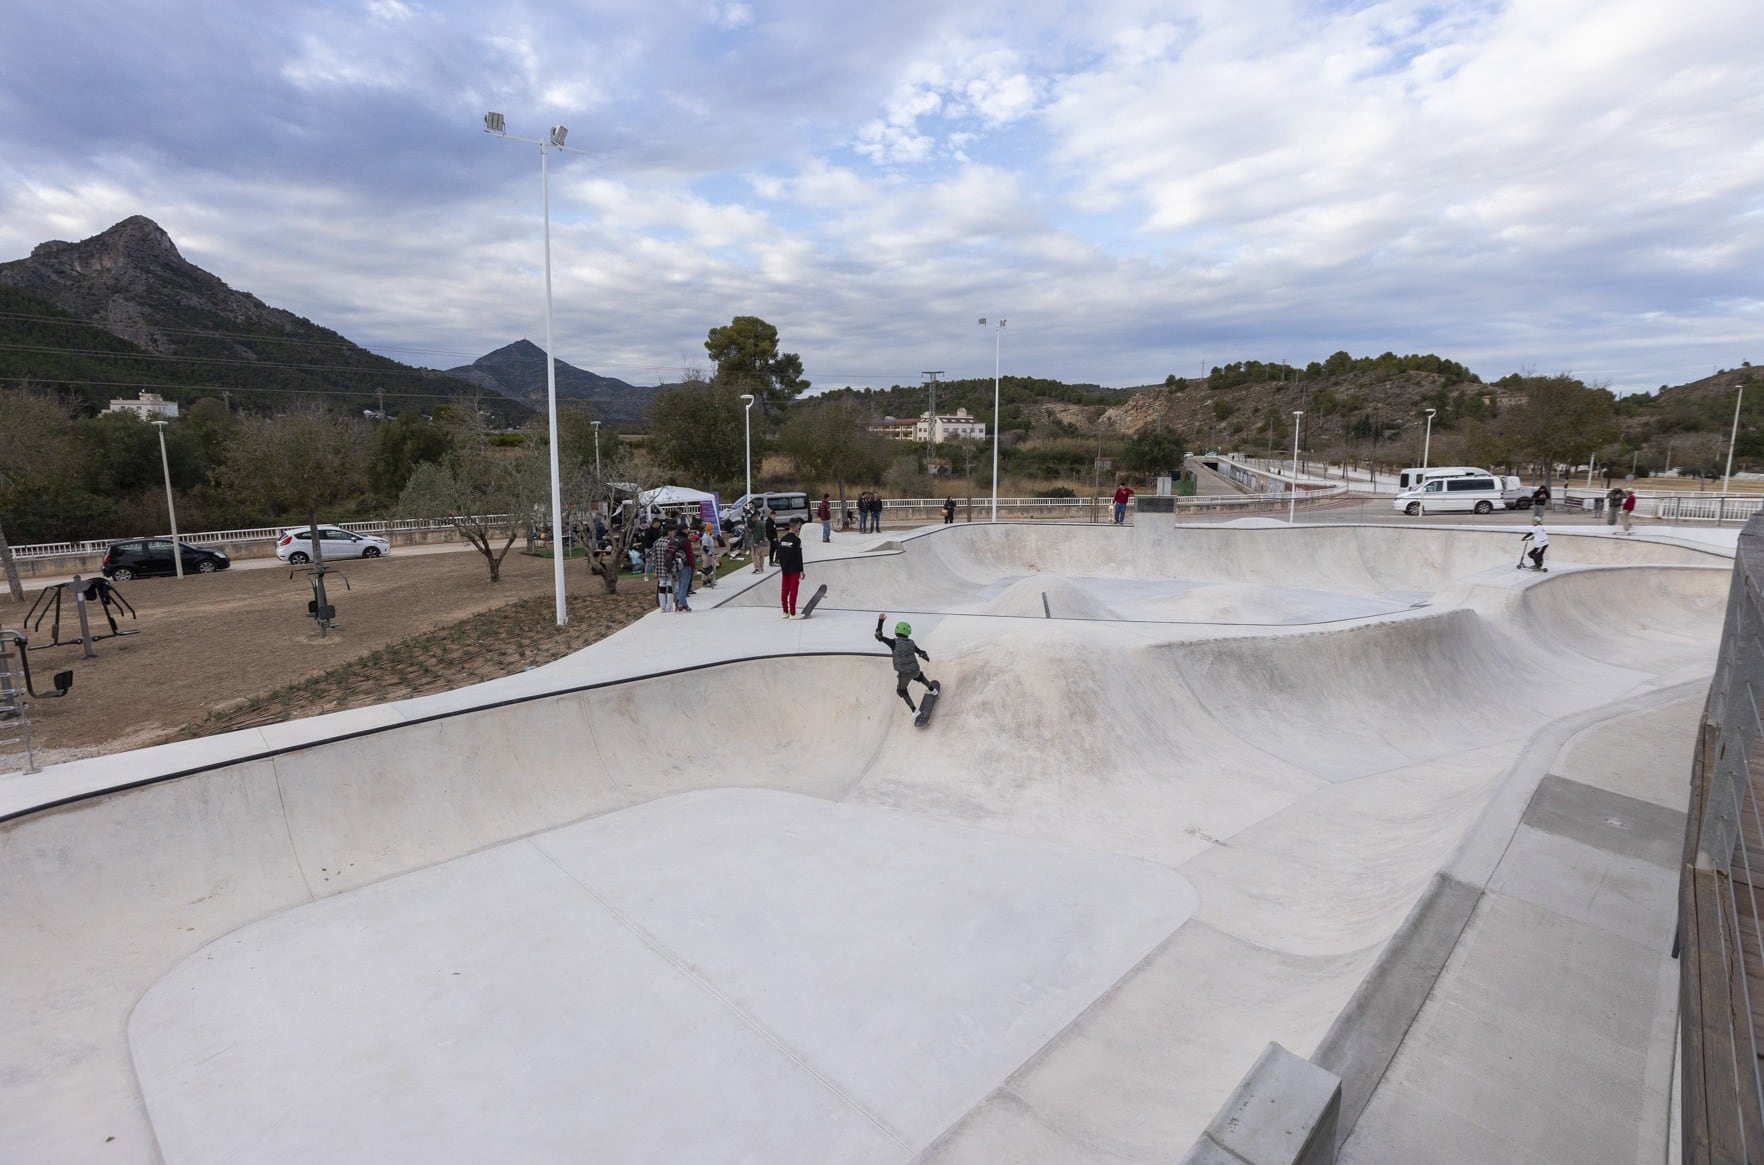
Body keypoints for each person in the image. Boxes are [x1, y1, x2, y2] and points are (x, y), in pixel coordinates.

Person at [874, 613, 940, 714]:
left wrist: (880, 621)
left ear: (896, 632)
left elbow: (878, 636)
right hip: (915, 669)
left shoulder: (893, 643)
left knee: (901, 690)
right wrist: (926, 657)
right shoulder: (911, 643)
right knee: (919, 676)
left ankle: (914, 710)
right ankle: (932, 689)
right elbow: (921, 652)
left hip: (904, 674)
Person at [777, 518, 806, 617]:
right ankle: (793, 613)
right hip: (794, 569)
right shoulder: (797, 540)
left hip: (785, 568)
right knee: (793, 590)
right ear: (796, 526)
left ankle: (785, 612)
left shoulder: (783, 539)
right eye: (799, 525)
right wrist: (801, 570)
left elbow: (779, 554)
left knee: (784, 589)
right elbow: (799, 556)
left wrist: (783, 566)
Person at [647, 532, 676, 612]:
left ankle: (662, 607)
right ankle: (669, 606)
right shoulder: (671, 542)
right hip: (669, 567)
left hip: (660, 567)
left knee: (661, 586)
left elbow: (653, 557)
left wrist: (656, 567)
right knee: (670, 586)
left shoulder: (656, 542)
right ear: (669, 532)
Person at [671, 524, 697, 612]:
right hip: (685, 565)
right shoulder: (686, 541)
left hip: (676, 565)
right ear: (683, 530)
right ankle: (681, 604)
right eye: (687, 529)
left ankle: (683, 603)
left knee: (678, 584)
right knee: (684, 586)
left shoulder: (674, 539)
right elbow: (690, 555)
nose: (688, 531)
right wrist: (693, 567)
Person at [745, 504, 768, 573]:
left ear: (755, 517)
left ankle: (757, 568)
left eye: (752, 519)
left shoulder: (757, 524)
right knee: (761, 555)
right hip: (762, 541)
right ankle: (761, 567)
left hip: (757, 542)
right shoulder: (762, 523)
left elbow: (758, 534)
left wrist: (756, 542)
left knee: (755, 555)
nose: (752, 520)